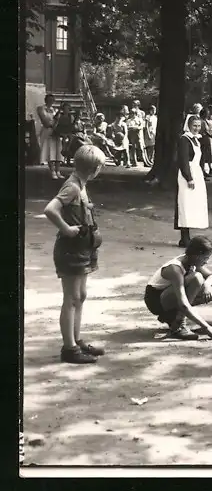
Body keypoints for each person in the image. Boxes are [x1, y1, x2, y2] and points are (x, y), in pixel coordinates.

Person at [44, 144, 108, 364]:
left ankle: (76, 339)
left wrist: (86, 207)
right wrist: (65, 228)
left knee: (80, 296)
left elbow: (75, 206)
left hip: (83, 248)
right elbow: (50, 209)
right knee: (71, 298)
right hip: (71, 249)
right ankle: (69, 348)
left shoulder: (81, 184)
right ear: (95, 169)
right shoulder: (72, 186)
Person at [143, 235, 212, 340]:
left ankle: (172, 316)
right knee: (196, 278)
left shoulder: (191, 261)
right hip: (156, 300)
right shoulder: (175, 269)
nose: (207, 262)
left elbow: (211, 275)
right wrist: (207, 328)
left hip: (171, 296)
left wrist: (206, 285)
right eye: (205, 258)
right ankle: (178, 325)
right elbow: (183, 303)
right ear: (197, 255)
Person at [174, 115, 209, 247]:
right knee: (185, 204)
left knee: (193, 204)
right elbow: (183, 160)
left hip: (196, 172)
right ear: (188, 125)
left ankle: (187, 236)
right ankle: (184, 237)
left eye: (199, 126)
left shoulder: (197, 140)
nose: (196, 128)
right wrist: (189, 177)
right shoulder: (184, 139)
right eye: (194, 125)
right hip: (187, 174)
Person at [37, 94, 63, 179]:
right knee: (49, 151)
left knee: (58, 151)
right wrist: (55, 119)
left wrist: (58, 120)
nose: (51, 101)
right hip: (46, 132)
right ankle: (52, 171)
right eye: (49, 99)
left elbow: (58, 123)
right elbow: (45, 123)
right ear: (46, 100)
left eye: (52, 99)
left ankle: (58, 171)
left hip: (56, 132)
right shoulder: (41, 109)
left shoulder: (55, 110)